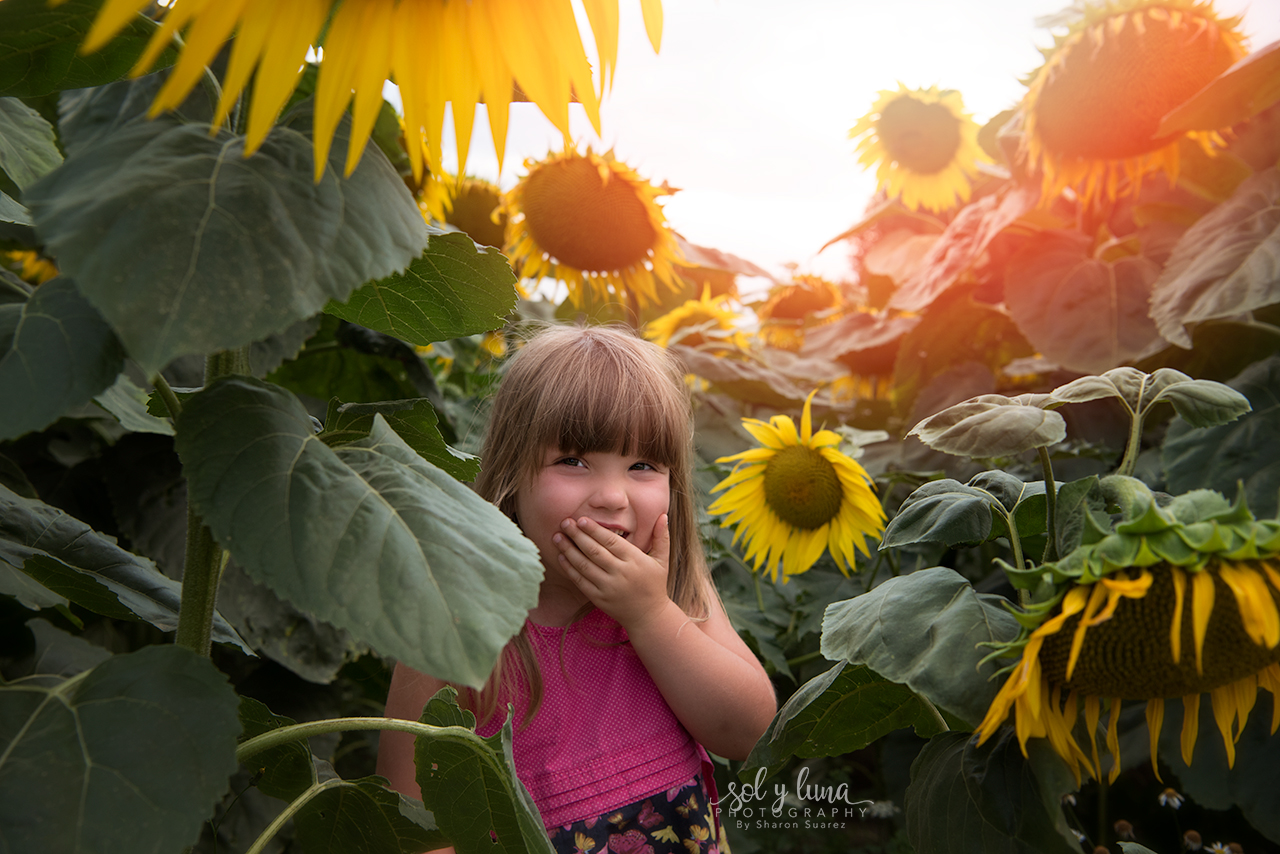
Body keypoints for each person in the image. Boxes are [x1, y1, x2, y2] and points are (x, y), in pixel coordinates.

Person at [378, 324, 777, 854]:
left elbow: (748, 732)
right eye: (573, 461)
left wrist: (650, 614)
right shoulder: (455, 619)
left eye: (642, 466)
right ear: (510, 479)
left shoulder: (675, 588)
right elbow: (411, 826)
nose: (612, 497)